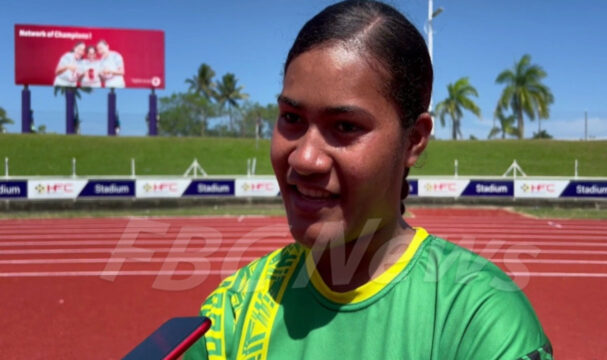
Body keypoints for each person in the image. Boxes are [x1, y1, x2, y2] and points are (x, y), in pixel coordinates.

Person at [185, 1, 552, 359]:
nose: (304, 158)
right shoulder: (236, 309)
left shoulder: (477, 317)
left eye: (345, 127)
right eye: (292, 118)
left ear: (414, 139)